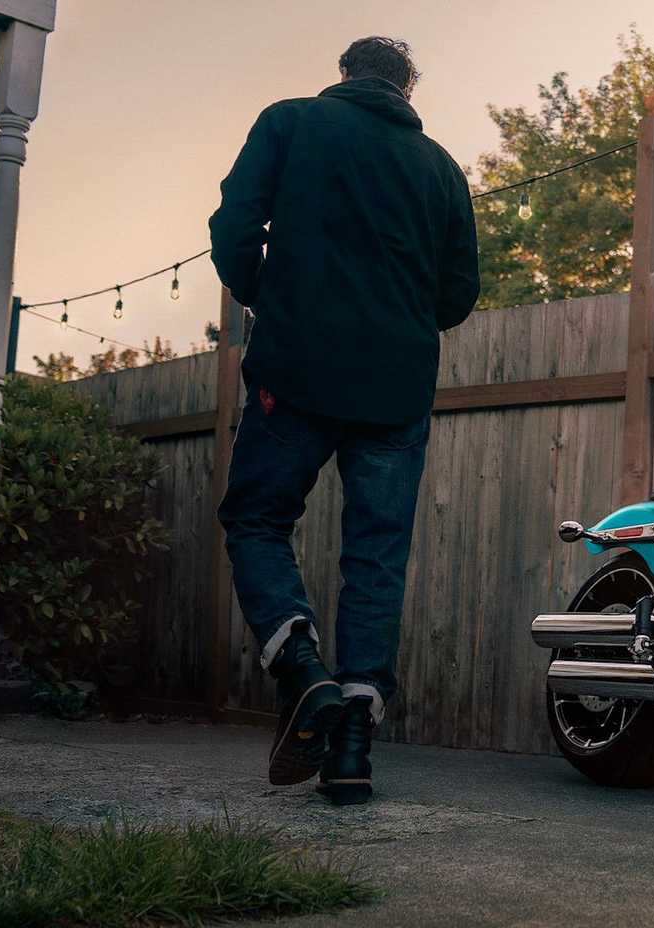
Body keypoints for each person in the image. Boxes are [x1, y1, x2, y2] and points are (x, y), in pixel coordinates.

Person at [208, 36, 479, 804]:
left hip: (294, 368)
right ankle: (353, 748)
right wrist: (397, 319)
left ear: (346, 76)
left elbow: (233, 229)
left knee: (257, 519)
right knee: (376, 555)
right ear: (407, 89)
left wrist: (270, 294)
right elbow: (458, 293)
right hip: (395, 387)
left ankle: (302, 671)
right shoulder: (442, 171)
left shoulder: (289, 123)